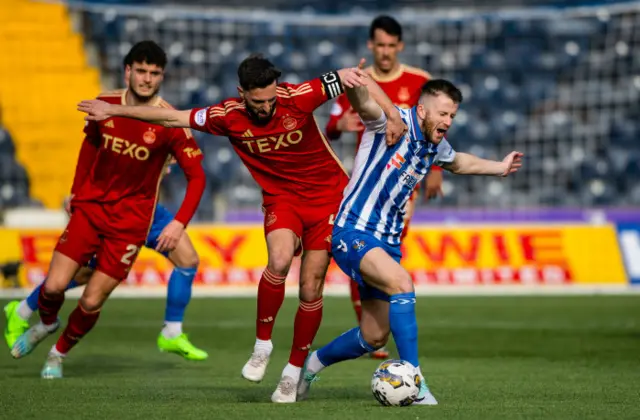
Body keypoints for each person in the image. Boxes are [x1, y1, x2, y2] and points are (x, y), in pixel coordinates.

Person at [77, 55, 406, 402]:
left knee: (311, 285)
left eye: (270, 99)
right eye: (257, 102)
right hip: (282, 201)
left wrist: (393, 114)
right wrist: (113, 111)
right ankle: (262, 346)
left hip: (328, 200)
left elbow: (353, 75)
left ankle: (293, 372)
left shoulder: (298, 96)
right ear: (241, 93)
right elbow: (171, 117)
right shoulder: (226, 116)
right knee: (278, 260)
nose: (265, 107)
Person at [298, 76, 523, 405]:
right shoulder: (388, 122)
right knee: (402, 284)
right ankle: (416, 382)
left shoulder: (434, 145)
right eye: (443, 114)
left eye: (452, 116)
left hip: (387, 244)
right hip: (353, 230)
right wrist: (365, 89)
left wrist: (500, 168)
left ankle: (313, 363)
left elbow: (458, 161)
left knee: (374, 337)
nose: (447, 121)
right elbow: (360, 96)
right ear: (421, 111)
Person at [10, 40, 207, 379]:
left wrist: (178, 222)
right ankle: (44, 322)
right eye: (141, 71)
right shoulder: (104, 105)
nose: (147, 79)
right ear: (128, 71)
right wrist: (76, 193)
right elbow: (90, 146)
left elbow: (198, 178)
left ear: (161, 78)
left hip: (132, 222)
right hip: (91, 210)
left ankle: (57, 355)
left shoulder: (170, 121)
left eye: (154, 73)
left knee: (91, 300)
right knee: (56, 286)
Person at [325, 16, 443, 354]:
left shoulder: (419, 80)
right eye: (381, 45)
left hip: (404, 186)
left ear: (400, 46)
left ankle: (377, 324)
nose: (386, 51)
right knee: (365, 248)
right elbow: (331, 126)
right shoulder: (359, 80)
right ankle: (370, 326)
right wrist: (339, 126)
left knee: (386, 249)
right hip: (365, 182)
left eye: (392, 45)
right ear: (371, 46)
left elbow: (436, 126)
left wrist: (436, 169)